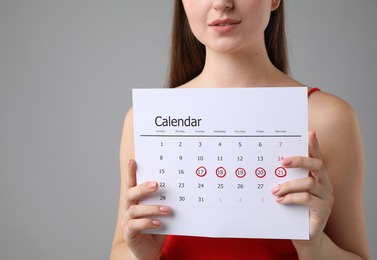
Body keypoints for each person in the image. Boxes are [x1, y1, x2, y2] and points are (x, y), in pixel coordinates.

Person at [110, 0, 370, 259]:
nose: (222, 3)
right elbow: (121, 249)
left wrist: (315, 246)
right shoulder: (145, 119)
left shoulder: (329, 119)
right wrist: (141, 255)